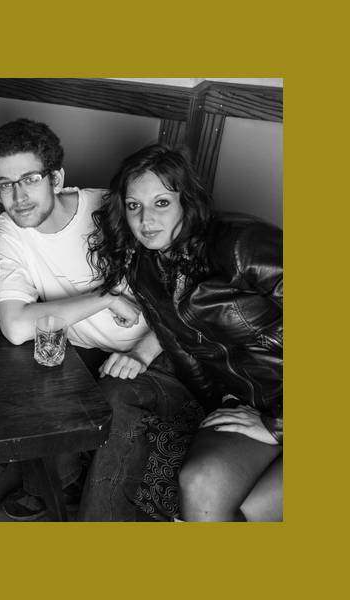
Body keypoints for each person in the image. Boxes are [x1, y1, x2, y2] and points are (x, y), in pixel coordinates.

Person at [0, 118, 195, 521]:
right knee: (26, 366)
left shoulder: (114, 208)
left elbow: (186, 289)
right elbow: (14, 326)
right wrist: (106, 297)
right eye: (5, 184)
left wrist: (142, 351)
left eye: (30, 179)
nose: (19, 196)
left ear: (56, 178)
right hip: (86, 349)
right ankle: (58, 483)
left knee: (117, 393)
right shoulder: (10, 230)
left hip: (162, 352)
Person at [89, 144, 282, 521]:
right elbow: (179, 345)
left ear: (186, 203)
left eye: (161, 203)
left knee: (258, 509)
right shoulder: (144, 267)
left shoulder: (241, 243)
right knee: (200, 480)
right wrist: (214, 406)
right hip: (246, 403)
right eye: (134, 205)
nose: (145, 219)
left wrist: (278, 425)